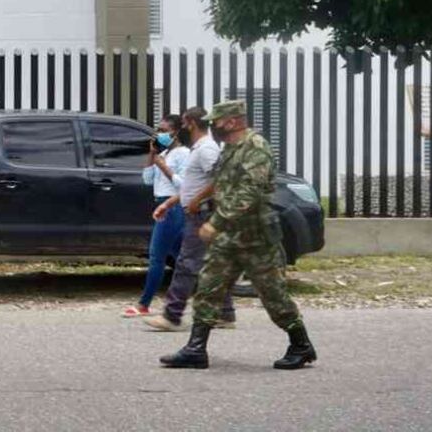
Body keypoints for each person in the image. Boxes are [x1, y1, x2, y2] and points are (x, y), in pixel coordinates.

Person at [160, 100, 317, 371]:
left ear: (231, 122)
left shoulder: (256, 148)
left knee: (273, 295)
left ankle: (301, 344)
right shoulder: (230, 149)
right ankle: (196, 348)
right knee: (209, 286)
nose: (213, 126)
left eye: (216, 122)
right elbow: (220, 184)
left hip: (257, 238)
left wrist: (216, 221)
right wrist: (191, 200)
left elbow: (249, 193)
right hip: (229, 236)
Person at [145, 107, 235, 332]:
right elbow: (191, 185)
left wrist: (196, 201)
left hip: (201, 213)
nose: (182, 128)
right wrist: (169, 203)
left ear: (191, 123)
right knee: (212, 265)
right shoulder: (198, 149)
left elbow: (219, 180)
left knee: (185, 264)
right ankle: (226, 313)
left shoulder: (206, 149)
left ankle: (172, 315)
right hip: (197, 210)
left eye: (184, 124)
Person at [123, 115, 189, 318]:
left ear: (175, 132)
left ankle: (144, 304)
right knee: (184, 260)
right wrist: (152, 156)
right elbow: (147, 179)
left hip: (172, 206)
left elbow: (183, 185)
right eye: (158, 130)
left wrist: (162, 165)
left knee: (157, 256)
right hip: (161, 203)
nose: (159, 134)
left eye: (163, 130)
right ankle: (220, 302)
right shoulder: (166, 152)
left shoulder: (183, 154)